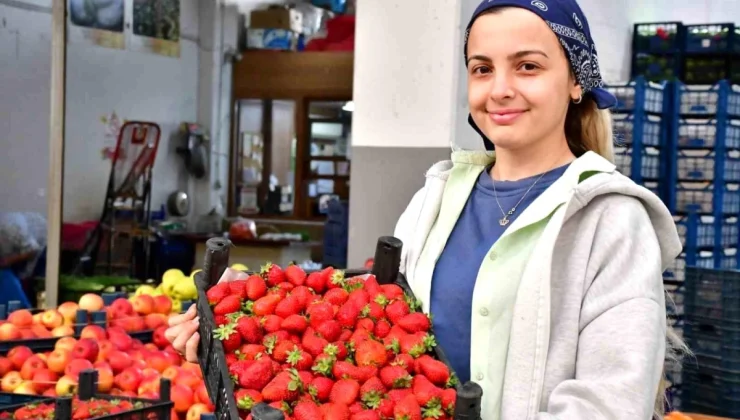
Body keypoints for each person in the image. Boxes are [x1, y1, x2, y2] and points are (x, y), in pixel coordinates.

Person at [166, 0, 684, 419]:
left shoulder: (613, 221)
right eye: (482, 69)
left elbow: (610, 403)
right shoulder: (436, 199)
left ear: (575, 82)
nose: (500, 89)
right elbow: (370, 325)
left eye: (528, 66)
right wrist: (242, 307)